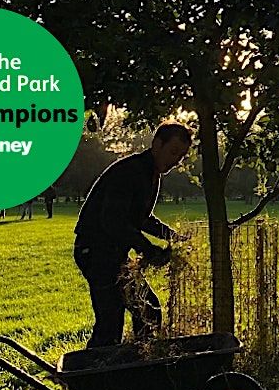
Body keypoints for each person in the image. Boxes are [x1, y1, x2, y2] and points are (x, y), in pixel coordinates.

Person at [73, 121, 191, 348]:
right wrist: (148, 248)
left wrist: (172, 236)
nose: (176, 160)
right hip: (96, 252)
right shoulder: (131, 171)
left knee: (148, 309)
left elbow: (142, 218)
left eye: (181, 156)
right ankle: (92, 377)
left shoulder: (150, 173)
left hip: (113, 255)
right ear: (157, 144)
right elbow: (113, 222)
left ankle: (139, 361)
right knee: (110, 322)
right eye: (173, 152)